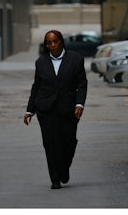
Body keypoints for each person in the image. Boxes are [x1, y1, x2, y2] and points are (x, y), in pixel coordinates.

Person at [23, 30, 87, 189]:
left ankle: (64, 168)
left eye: (55, 41)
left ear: (61, 42)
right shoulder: (41, 62)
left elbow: (82, 84)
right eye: (49, 43)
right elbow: (36, 86)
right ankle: (55, 179)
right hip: (46, 109)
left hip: (69, 109)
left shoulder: (76, 59)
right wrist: (30, 110)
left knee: (69, 141)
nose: (52, 45)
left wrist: (79, 104)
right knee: (51, 144)